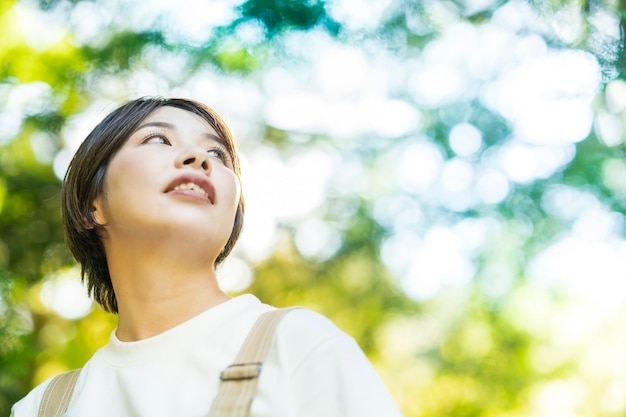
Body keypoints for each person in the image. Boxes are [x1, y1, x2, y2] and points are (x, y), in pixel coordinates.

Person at [10, 97, 404, 417]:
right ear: (92, 205)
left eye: (217, 153)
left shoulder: (297, 346)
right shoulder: (41, 409)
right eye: (158, 140)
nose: (199, 158)